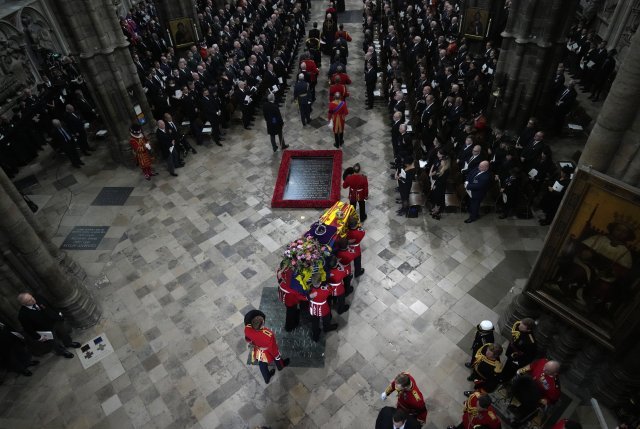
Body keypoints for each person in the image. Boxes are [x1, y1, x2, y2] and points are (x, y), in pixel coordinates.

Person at [17, 292, 81, 359]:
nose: (33, 300)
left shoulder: (38, 297)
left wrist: (58, 313)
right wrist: (39, 337)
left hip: (55, 321)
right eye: (29, 301)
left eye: (31, 297)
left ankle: (69, 343)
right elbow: (28, 329)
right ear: (24, 304)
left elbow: (50, 305)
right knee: (54, 343)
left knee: (64, 333)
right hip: (45, 330)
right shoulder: (22, 315)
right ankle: (62, 351)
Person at [243, 309, 289, 384]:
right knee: (277, 358)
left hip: (258, 350)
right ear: (261, 326)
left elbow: (248, 340)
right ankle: (280, 366)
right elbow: (273, 349)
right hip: (267, 351)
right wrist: (277, 356)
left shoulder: (247, 329)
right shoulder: (268, 335)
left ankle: (267, 378)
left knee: (262, 364)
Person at [277, 262, 307, 331]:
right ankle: (289, 327)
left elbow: (280, 274)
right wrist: (308, 297)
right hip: (291, 301)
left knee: (292, 311)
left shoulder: (280, 272)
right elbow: (299, 295)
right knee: (290, 313)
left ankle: (293, 321)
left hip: (284, 295)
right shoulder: (291, 287)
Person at [308, 273, 338, 342]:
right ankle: (327, 328)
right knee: (326, 318)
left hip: (313, 307)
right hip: (323, 307)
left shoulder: (309, 288)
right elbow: (331, 290)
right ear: (320, 282)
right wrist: (328, 285)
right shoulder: (325, 289)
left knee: (315, 322)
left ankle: (315, 336)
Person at [429, 149, 450, 220]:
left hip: (440, 186)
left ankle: (437, 210)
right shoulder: (441, 168)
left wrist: (434, 184)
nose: (441, 162)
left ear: (445, 162)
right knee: (435, 197)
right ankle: (435, 208)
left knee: (438, 198)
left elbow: (441, 180)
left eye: (442, 162)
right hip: (436, 184)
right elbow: (436, 173)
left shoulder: (446, 171)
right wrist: (433, 175)